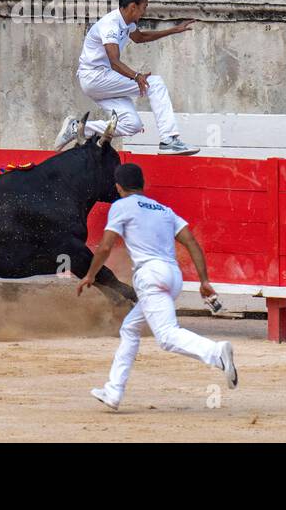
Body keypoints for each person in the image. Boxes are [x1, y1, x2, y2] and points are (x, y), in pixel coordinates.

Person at [80, 161, 236, 412]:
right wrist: (204, 280)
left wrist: (90, 275)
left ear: (118, 187)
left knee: (166, 337)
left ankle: (216, 352)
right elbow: (192, 243)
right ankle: (113, 391)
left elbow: (106, 246)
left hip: (150, 275)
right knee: (130, 329)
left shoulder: (121, 206)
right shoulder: (164, 210)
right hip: (172, 275)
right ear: (141, 185)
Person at [53, 0, 198, 155]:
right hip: (95, 77)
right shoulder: (110, 25)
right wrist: (136, 76)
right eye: (144, 7)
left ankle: (78, 128)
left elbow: (140, 38)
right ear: (133, 7)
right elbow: (114, 61)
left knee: (132, 124)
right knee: (155, 84)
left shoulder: (127, 23)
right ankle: (169, 139)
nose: (144, 12)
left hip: (102, 80)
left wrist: (174, 30)